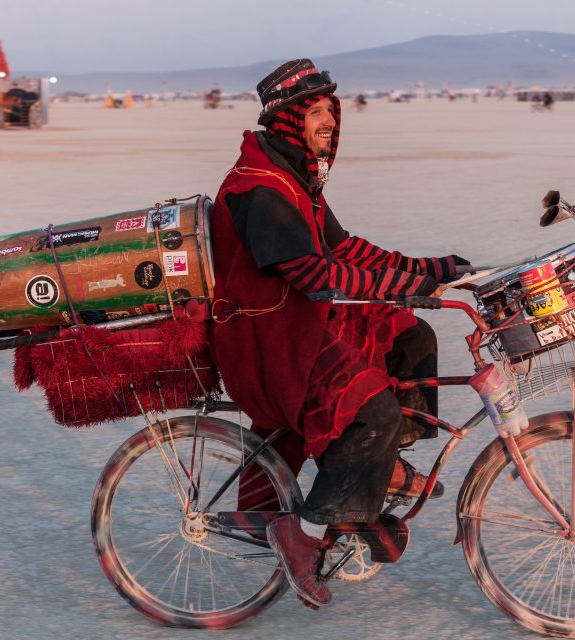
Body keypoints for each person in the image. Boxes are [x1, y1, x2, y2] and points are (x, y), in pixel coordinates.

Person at [210, 59, 472, 608]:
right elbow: (313, 273)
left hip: (301, 318)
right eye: (317, 110)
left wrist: (429, 268)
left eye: (333, 108)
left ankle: (377, 472)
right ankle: (300, 536)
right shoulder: (261, 187)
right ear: (288, 118)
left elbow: (345, 249)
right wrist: (400, 284)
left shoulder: (295, 177)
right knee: (372, 409)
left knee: (413, 339)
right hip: (271, 338)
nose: (330, 119)